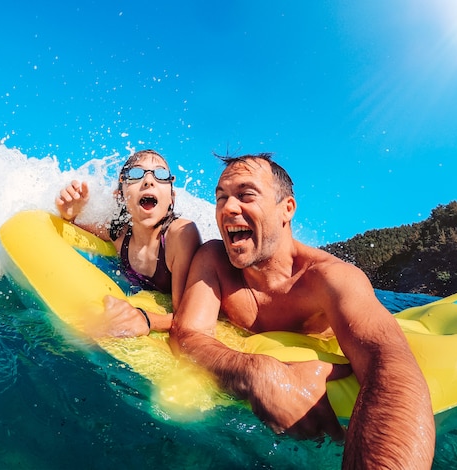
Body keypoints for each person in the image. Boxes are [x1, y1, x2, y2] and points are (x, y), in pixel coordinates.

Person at [168, 153, 435, 469]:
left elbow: (387, 361)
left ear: (287, 209)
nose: (227, 208)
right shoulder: (213, 259)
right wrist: (255, 372)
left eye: (245, 195)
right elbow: (187, 335)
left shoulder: (328, 278)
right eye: (221, 198)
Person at [55, 149, 201, 337]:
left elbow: (187, 316)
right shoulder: (119, 234)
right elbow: (73, 223)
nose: (149, 181)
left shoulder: (180, 236)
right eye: (135, 174)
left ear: (172, 198)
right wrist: (69, 212)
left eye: (161, 174)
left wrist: (145, 318)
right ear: (120, 196)